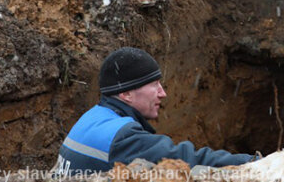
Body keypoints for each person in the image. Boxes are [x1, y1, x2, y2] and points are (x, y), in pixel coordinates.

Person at [54, 47, 255, 175]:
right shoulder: (121, 138)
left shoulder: (93, 116)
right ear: (126, 94)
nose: (163, 93)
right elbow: (185, 160)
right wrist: (253, 163)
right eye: (154, 85)